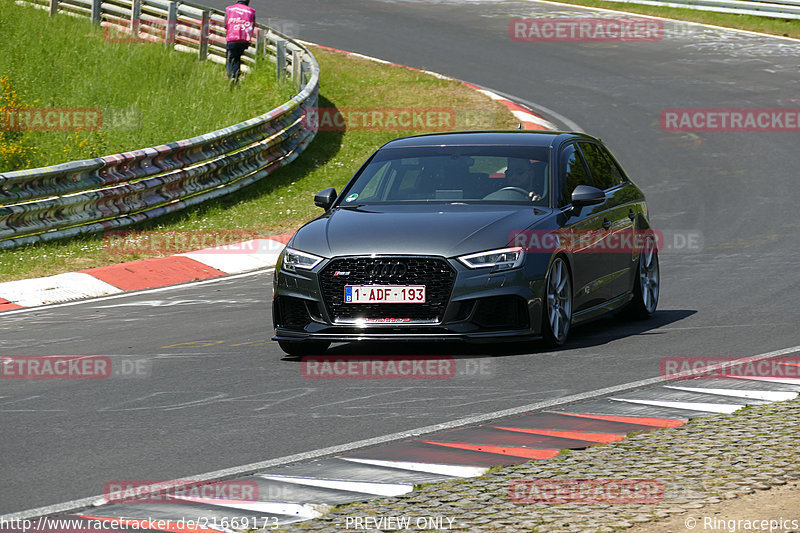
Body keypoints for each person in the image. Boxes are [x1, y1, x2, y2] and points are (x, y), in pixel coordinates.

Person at [225, 0, 256, 83]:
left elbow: (226, 24)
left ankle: (232, 76)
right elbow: (252, 25)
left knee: (231, 59)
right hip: (244, 39)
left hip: (232, 38)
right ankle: (236, 78)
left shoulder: (229, 9)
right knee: (237, 58)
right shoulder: (251, 11)